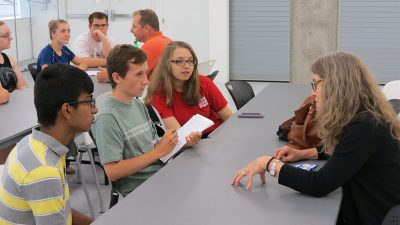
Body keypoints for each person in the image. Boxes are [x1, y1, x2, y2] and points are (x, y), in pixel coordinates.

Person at [231, 52, 400, 225]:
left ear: (334, 85)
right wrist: (306, 153)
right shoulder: (364, 116)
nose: (313, 93)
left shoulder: (365, 127)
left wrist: (268, 163)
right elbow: (347, 152)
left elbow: (320, 184)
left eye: (315, 84)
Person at [92, 44, 201, 197]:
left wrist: (180, 142)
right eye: (139, 74)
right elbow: (112, 171)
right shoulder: (107, 118)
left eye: (145, 73)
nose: (146, 81)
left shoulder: (137, 104)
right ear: (117, 77)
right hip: (139, 188)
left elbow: (154, 143)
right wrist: (158, 152)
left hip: (160, 174)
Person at [0, 64, 95, 225]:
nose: (95, 109)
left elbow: (61, 209)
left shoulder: (33, 143)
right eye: (89, 102)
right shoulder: (43, 171)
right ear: (67, 110)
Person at [145, 41, 233, 138]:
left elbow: (229, 117)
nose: (187, 66)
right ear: (166, 64)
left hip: (220, 133)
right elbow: (180, 137)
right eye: (179, 61)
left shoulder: (204, 82)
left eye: (190, 61)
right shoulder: (159, 93)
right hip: (194, 143)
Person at [96, 9, 172, 82]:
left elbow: (131, 75)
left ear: (146, 28)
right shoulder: (165, 40)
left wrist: (109, 76)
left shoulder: (152, 45)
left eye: (134, 26)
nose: (131, 30)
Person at [0, 20, 28, 89]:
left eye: (9, 34)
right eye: (6, 35)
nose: (11, 38)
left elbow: (23, 86)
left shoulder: (10, 59)